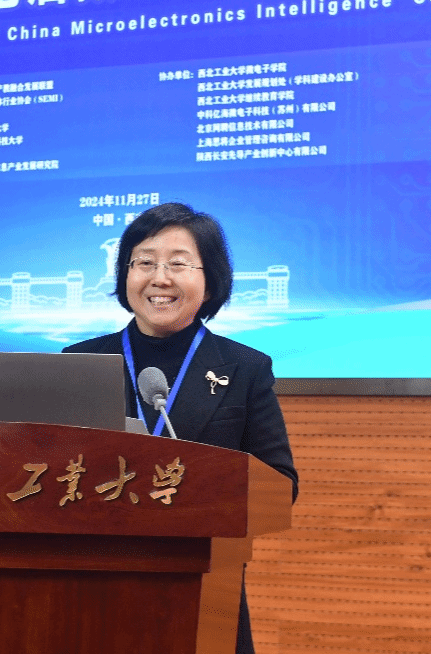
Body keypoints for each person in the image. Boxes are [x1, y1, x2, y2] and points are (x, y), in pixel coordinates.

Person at [63, 202, 297, 654]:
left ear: (211, 280)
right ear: (125, 275)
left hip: (203, 588)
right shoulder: (79, 363)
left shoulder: (244, 368)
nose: (160, 278)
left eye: (178, 264)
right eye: (144, 263)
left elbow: (280, 485)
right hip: (94, 588)